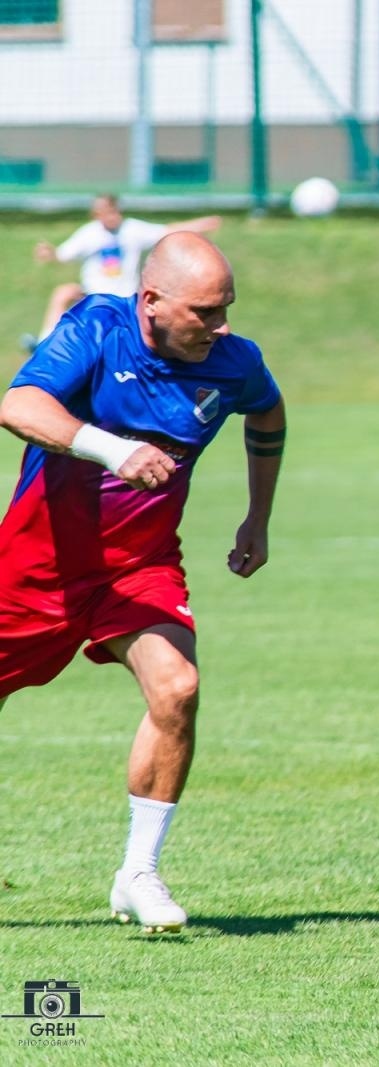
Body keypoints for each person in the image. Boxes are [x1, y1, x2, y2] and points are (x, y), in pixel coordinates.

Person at [0, 232, 285, 933]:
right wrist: (115, 450)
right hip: (40, 567)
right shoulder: (97, 326)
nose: (220, 329)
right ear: (151, 300)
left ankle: (138, 873)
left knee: (178, 688)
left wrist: (258, 517)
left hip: (140, 566)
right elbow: (19, 406)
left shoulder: (233, 362)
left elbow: (268, 415)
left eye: (226, 311)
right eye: (204, 314)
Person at [24, 193, 223, 353]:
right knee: (64, 292)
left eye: (113, 211)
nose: (110, 216)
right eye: (104, 212)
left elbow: (167, 231)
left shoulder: (132, 230)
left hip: (125, 298)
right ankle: (43, 345)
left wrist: (200, 225)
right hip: (92, 296)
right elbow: (63, 255)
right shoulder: (89, 233)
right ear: (96, 215)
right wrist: (50, 253)